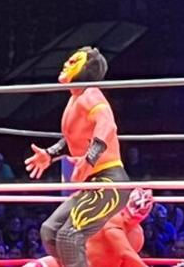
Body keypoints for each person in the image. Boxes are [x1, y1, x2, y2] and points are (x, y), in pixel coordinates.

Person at [24, 47, 127, 267]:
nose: (65, 64)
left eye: (72, 62)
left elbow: (107, 125)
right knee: (50, 232)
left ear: (86, 69)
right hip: (93, 184)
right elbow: (73, 138)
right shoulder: (76, 98)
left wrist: (89, 159)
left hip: (109, 182)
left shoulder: (91, 93)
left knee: (69, 236)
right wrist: (50, 154)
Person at [24, 188, 154, 267]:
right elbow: (125, 252)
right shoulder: (110, 218)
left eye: (135, 217)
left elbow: (126, 260)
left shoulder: (137, 237)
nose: (128, 217)